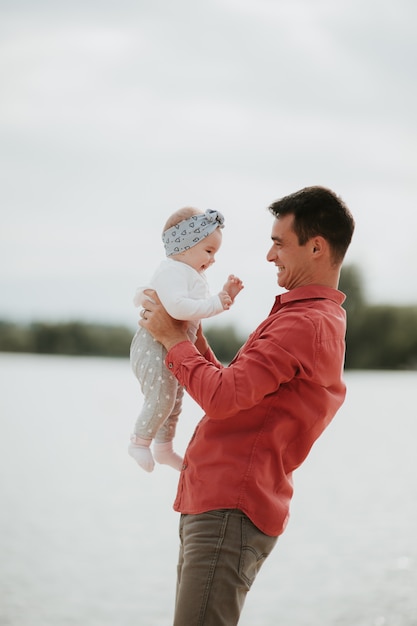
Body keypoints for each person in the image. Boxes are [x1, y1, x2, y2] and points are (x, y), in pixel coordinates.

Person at [139, 186, 355, 625]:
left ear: (316, 247)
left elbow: (219, 398)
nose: (269, 256)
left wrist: (172, 339)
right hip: (220, 501)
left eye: (278, 243)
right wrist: (189, 335)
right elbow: (234, 391)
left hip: (229, 507)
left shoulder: (305, 322)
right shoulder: (304, 318)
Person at [128, 207, 244, 473]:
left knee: (175, 398)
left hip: (170, 347)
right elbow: (179, 308)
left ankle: (164, 448)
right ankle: (139, 441)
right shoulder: (172, 271)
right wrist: (217, 303)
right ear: (185, 245)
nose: (213, 259)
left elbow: (197, 308)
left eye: (215, 253)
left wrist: (224, 295)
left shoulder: (189, 273)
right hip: (153, 348)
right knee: (162, 398)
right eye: (208, 251)